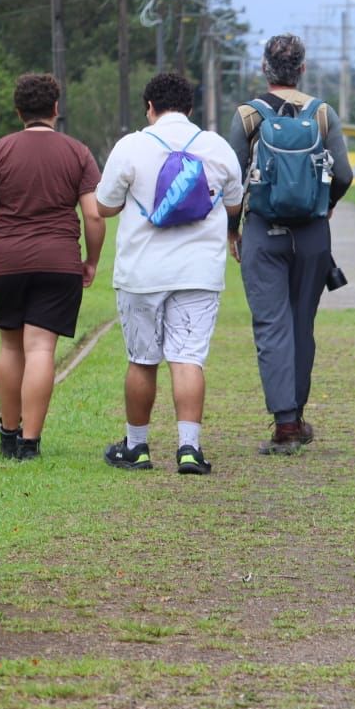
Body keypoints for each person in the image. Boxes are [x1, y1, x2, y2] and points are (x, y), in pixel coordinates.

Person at [97, 73, 244, 475]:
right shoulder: (216, 146)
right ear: (191, 108)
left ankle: (136, 447)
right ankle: (189, 449)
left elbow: (103, 207)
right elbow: (234, 203)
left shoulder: (131, 146)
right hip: (198, 271)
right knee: (188, 359)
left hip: (141, 271)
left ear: (150, 107)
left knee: (142, 360)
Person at [0, 73, 103, 461]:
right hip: (60, 262)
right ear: (56, 108)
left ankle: (8, 436)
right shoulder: (78, 152)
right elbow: (93, 215)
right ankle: (30, 443)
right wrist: (91, 261)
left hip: (7, 262)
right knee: (41, 347)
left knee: (11, 345)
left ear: (18, 111)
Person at [229, 34, 353, 454]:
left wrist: (232, 230)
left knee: (271, 325)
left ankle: (284, 424)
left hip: (263, 232)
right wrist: (325, 204)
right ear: (302, 69)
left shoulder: (248, 115)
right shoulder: (323, 114)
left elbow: (232, 181)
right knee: (302, 324)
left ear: (264, 68)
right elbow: (344, 174)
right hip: (313, 236)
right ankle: (297, 416)